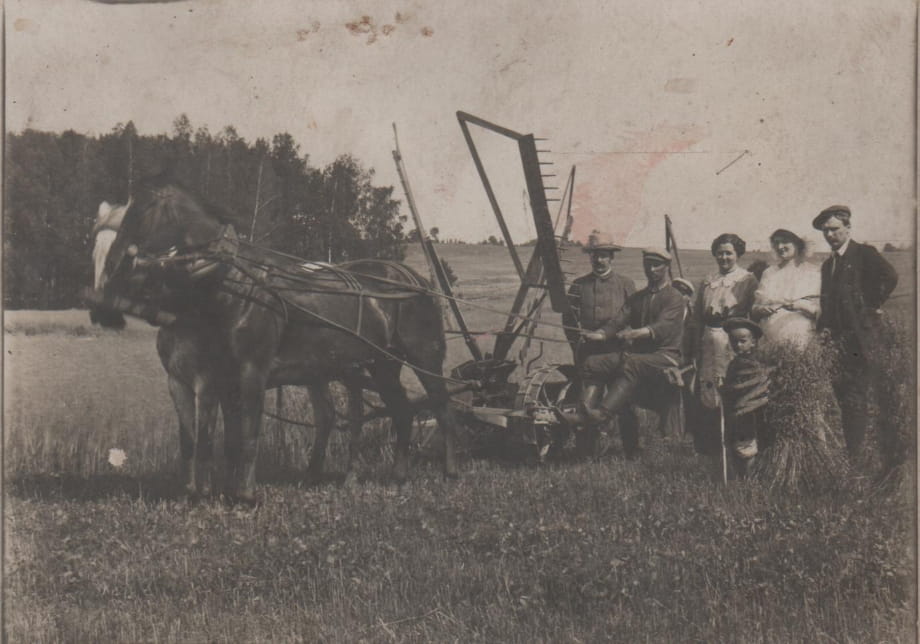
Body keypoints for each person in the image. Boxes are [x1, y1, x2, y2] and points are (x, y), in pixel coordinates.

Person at [570, 248, 686, 457]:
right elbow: (618, 321)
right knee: (592, 363)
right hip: (640, 358)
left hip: (665, 357)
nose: (650, 269)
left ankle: (602, 415)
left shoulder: (674, 298)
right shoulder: (638, 297)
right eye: (647, 264)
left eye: (656, 265)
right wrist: (601, 334)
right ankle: (584, 416)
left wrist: (634, 334)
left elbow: (662, 328)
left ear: (666, 267)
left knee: (630, 362)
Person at [813, 205, 898, 459]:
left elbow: (890, 277)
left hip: (860, 340)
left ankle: (859, 456)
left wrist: (870, 305)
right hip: (836, 341)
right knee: (843, 395)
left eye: (835, 229)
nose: (830, 235)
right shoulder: (828, 265)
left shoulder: (863, 254)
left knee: (856, 395)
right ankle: (855, 450)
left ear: (848, 228)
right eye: (826, 231)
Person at [562, 232, 636, 424]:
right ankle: (586, 451)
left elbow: (635, 319)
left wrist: (628, 347)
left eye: (604, 255)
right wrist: (578, 346)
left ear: (612, 257)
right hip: (589, 357)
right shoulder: (579, 285)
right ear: (590, 257)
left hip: (618, 355)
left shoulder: (626, 284)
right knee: (586, 404)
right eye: (595, 255)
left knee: (623, 404)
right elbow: (568, 321)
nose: (599, 260)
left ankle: (632, 451)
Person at [694, 234, 758, 411]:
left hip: (733, 341)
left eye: (729, 253)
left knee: (731, 385)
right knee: (708, 386)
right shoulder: (708, 280)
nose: (724, 257)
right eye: (720, 253)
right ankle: (712, 433)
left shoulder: (747, 280)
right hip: (708, 340)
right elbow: (697, 317)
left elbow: (754, 316)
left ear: (738, 254)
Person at [751, 229, 821, 348]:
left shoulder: (813, 272)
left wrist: (800, 306)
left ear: (797, 244)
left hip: (802, 335)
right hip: (771, 335)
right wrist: (761, 309)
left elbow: (820, 311)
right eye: (776, 243)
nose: (780, 246)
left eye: (785, 242)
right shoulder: (769, 273)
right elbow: (755, 308)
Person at [720, 318, 771, 479]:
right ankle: (742, 479)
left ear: (753, 342)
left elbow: (755, 385)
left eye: (743, 341)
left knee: (748, 447)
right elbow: (732, 386)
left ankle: (750, 481)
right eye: (734, 342)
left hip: (751, 414)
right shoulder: (734, 363)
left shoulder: (755, 363)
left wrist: (728, 389)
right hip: (737, 413)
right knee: (739, 446)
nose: (738, 345)